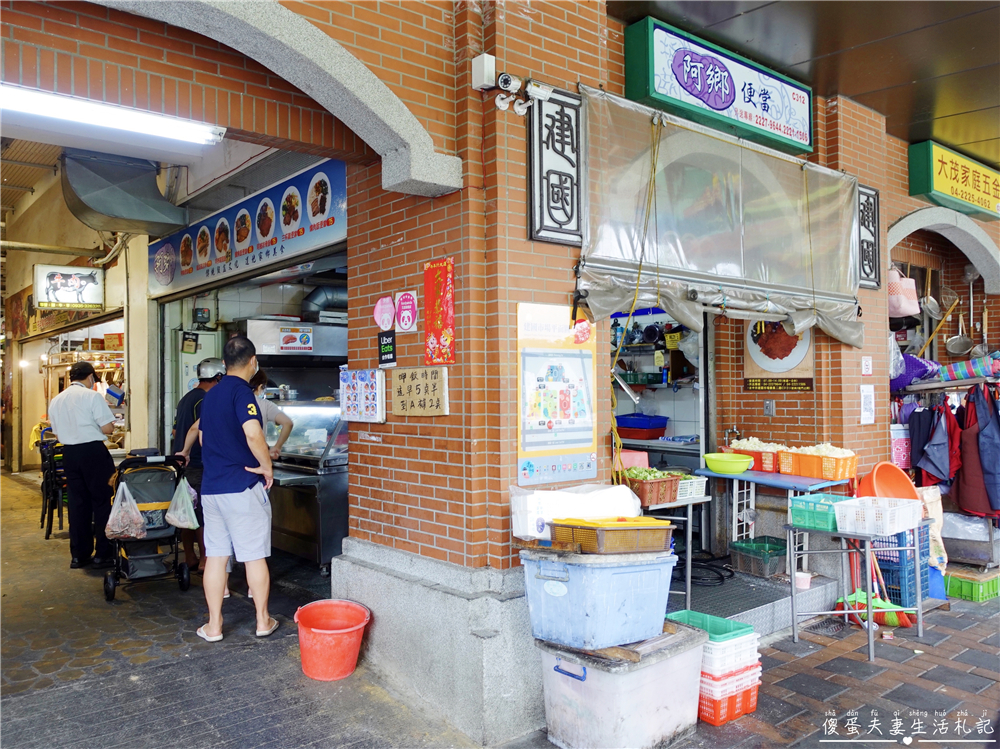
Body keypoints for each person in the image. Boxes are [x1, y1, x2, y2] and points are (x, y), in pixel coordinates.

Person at [195, 335, 277, 642]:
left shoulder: (212, 395)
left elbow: (203, 439)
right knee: (254, 556)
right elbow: (253, 433)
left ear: (225, 364)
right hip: (242, 486)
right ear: (253, 362)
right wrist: (266, 466)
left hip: (212, 489)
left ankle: (214, 626)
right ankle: (262, 621)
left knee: (216, 556)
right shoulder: (243, 392)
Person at [47, 362, 117, 569]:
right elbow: (108, 429)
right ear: (90, 378)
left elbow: (57, 432)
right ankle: (103, 554)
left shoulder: (56, 400)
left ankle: (79, 555)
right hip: (93, 452)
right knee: (102, 501)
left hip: (69, 453)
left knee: (78, 504)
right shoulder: (92, 396)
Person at [171, 358, 226, 571]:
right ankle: (205, 560)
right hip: (199, 463)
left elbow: (176, 431)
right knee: (203, 514)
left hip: (184, 463)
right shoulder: (206, 400)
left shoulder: (187, 398)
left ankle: (190, 557)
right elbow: (207, 432)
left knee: (188, 512)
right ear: (218, 377)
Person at [248, 368, 294, 459]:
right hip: (258, 458)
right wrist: (277, 447)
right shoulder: (265, 404)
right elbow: (288, 423)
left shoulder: (233, 400)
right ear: (260, 386)